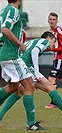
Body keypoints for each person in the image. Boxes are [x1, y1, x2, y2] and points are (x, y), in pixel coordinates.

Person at [0, 31, 62, 128]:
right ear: (48, 38)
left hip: (19, 65)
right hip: (27, 67)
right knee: (50, 88)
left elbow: (23, 52)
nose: (53, 45)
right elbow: (34, 52)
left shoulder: (31, 42)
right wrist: (36, 73)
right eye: (54, 42)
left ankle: (1, 117)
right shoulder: (44, 41)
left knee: (19, 91)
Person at [0, 0, 45, 130]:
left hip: (4, 53)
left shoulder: (3, 11)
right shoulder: (13, 11)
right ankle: (31, 124)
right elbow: (5, 30)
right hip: (11, 55)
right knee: (29, 85)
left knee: (13, 86)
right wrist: (20, 44)